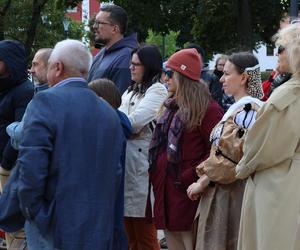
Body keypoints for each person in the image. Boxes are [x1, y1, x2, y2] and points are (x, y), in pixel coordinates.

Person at [17, 39, 125, 250]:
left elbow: (31, 165)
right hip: (97, 225)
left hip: (54, 223)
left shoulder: (45, 101)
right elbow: (116, 175)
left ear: (58, 67)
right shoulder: (109, 112)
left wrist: (34, 213)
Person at [187, 52, 264, 250]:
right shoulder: (239, 108)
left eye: (227, 74)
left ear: (244, 77)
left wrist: (202, 181)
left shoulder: (248, 111)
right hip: (224, 188)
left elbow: (231, 158)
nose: (221, 79)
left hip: (230, 191)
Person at [148, 48, 223, 250]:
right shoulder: (171, 105)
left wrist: (192, 176)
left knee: (192, 243)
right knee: (173, 241)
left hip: (189, 193)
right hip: (168, 191)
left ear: (183, 76)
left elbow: (217, 148)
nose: (166, 77)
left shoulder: (207, 108)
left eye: (170, 72)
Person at [235, 23, 300, 250]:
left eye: (281, 47)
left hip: (279, 186)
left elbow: (260, 147)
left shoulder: (287, 96)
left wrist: (241, 168)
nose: (278, 52)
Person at [119, 45, 168, 250]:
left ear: (148, 66)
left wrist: (127, 127)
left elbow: (133, 122)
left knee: (146, 236)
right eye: (131, 63)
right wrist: (125, 127)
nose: (131, 67)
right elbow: (120, 121)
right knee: (130, 236)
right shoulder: (130, 91)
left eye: (136, 64)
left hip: (142, 168)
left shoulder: (157, 90)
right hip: (127, 165)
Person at [0, 40, 34, 248]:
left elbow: (21, 132)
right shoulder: (5, 88)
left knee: (14, 222)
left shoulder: (24, 90)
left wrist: (5, 163)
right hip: (3, 164)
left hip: (10, 166)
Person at [6, 48, 52, 150]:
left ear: (50, 66)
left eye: (35, 64)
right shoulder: (38, 93)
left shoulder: (46, 98)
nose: (31, 70)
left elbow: (23, 135)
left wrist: (9, 127)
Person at [88, 4, 139, 94]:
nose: (94, 27)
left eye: (99, 23)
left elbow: (119, 100)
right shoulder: (102, 53)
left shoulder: (126, 56)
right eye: (95, 22)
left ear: (115, 29)